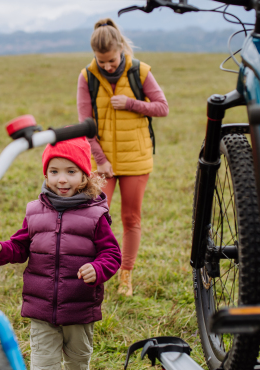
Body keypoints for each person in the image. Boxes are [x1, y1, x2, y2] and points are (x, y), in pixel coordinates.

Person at [0, 137, 122, 370]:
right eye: (54, 172)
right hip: (41, 312)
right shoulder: (35, 212)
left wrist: (98, 269)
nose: (61, 180)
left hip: (79, 310)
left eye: (70, 172)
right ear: (46, 173)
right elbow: (20, 247)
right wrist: (0, 249)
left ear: (85, 176)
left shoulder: (95, 215)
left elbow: (112, 253)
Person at [77, 18, 169, 296]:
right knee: (94, 217)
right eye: (101, 61)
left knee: (131, 219)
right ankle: (96, 271)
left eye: (112, 60)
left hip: (136, 158)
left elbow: (162, 107)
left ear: (120, 48)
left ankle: (125, 275)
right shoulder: (87, 77)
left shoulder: (140, 72)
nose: (107, 66)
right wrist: (100, 160)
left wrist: (131, 104)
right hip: (103, 161)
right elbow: (85, 123)